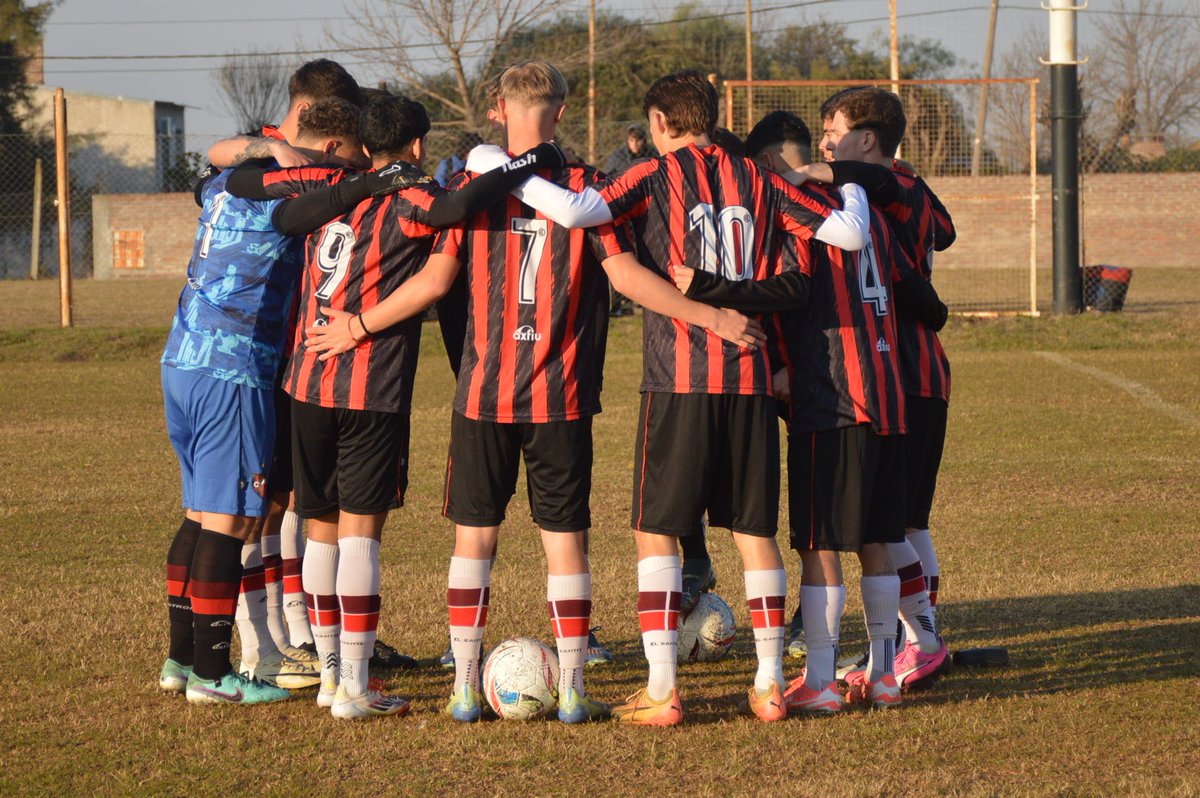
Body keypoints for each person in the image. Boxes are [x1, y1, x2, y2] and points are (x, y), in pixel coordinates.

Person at [301, 62, 764, 725]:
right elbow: (629, 277)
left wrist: (358, 325)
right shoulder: (586, 188)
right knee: (564, 543)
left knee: (474, 541)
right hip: (561, 396)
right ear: (564, 108)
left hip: (484, 392)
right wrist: (714, 315)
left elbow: (435, 281)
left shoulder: (468, 189)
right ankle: (573, 690)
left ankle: (464, 688)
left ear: (497, 108)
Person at [469, 70, 871, 725]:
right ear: (711, 116)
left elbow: (575, 209)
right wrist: (851, 183)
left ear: (659, 123)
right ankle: (769, 683)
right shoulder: (762, 178)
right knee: (753, 533)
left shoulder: (656, 174)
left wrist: (495, 164)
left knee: (656, 531)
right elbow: (848, 236)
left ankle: (662, 689)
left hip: (678, 378)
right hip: (748, 374)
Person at [224, 92, 575, 718]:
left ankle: (332, 675)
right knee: (361, 536)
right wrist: (526, 164)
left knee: (321, 532)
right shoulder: (410, 199)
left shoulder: (333, 183)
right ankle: (355, 687)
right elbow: (450, 231)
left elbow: (262, 197)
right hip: (368, 385)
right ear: (416, 146)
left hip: (306, 379)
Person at [672, 106, 949, 712]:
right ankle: (881, 676)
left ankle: (820, 680)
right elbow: (918, 293)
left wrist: (706, 288)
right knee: (877, 537)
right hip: (888, 394)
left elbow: (790, 291)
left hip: (833, 394)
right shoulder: (865, 208)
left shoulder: (799, 215)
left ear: (769, 164)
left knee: (819, 545)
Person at [158, 99, 368, 706]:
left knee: (200, 515)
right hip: (232, 367)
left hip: (183, 361)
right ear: (331, 150)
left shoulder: (232, 178)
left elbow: (219, 157)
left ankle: (179, 661)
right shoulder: (294, 184)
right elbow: (327, 196)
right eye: (347, 158)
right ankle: (213, 674)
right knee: (229, 521)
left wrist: (271, 148)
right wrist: (373, 177)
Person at [788, 87, 953, 691]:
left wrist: (812, 171)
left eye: (833, 130)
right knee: (901, 523)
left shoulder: (896, 188)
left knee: (897, 523)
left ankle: (922, 641)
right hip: (900, 372)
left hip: (902, 374)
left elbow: (938, 230)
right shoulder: (878, 189)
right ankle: (914, 641)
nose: (825, 141)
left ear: (866, 137)